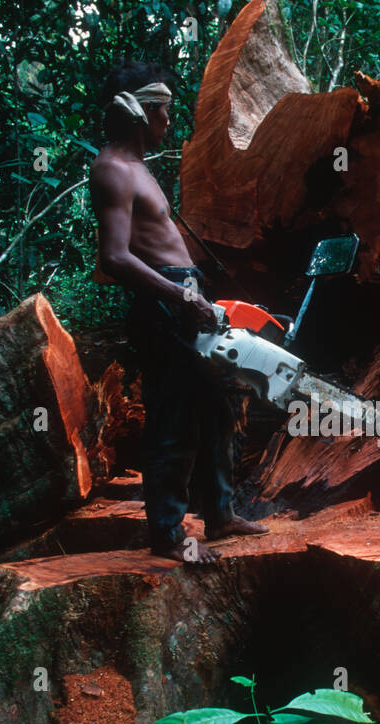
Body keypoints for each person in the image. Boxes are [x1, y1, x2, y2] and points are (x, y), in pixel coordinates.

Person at [89, 60, 268, 563]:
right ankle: (168, 535)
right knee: (173, 418)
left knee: (215, 408)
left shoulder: (139, 168)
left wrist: (196, 291)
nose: (170, 121)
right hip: (164, 306)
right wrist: (180, 296)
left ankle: (221, 514)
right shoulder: (112, 170)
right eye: (164, 112)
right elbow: (115, 257)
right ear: (138, 112)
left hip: (183, 299)